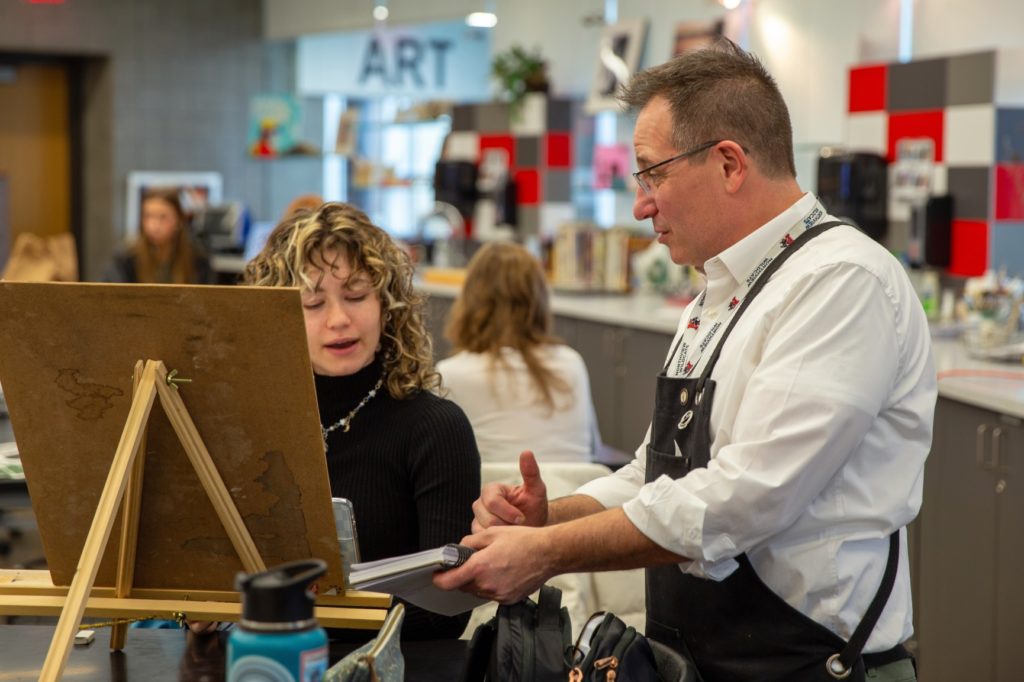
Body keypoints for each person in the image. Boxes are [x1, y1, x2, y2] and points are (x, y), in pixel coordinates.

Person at [435, 39, 935, 681]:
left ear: (728, 163)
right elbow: (656, 476)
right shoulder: (718, 296)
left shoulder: (839, 281)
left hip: (810, 666)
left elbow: (743, 500)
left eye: (653, 174)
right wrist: (547, 518)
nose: (642, 204)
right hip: (706, 660)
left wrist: (548, 552)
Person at [244, 201, 481, 641]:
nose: (339, 320)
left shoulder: (436, 430)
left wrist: (286, 604)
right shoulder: (246, 430)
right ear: (275, 318)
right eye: (312, 303)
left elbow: (446, 612)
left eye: (356, 296)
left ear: (387, 305)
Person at [437, 241, 599, 463]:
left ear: (470, 299)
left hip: (492, 496)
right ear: (539, 299)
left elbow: (439, 462)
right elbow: (592, 449)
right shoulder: (571, 362)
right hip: (573, 494)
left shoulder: (451, 374)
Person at [104, 187, 214, 284]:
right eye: (148, 216)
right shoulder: (126, 257)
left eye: (163, 217)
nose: (154, 225)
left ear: (179, 220)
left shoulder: (198, 258)